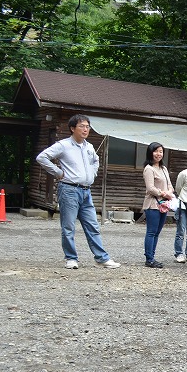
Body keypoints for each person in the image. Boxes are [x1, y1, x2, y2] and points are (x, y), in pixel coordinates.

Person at [35, 114, 121, 269]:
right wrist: (58, 172)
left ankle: (101, 258)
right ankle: (71, 258)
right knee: (68, 226)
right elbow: (42, 157)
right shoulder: (63, 145)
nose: (85, 129)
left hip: (86, 191)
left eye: (87, 126)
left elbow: (95, 161)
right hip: (69, 190)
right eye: (82, 126)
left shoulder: (89, 146)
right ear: (72, 128)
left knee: (93, 225)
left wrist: (93, 174)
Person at [141, 142, 175, 268]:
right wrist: (164, 194)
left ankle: (152, 256)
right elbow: (150, 188)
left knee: (157, 232)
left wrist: (169, 192)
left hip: (164, 204)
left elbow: (170, 185)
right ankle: (149, 259)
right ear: (150, 152)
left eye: (161, 151)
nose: (158, 154)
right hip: (152, 204)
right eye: (156, 151)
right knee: (151, 231)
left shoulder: (163, 168)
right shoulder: (148, 169)